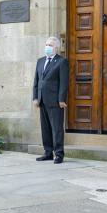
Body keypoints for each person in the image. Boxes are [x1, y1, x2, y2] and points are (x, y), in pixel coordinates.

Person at [32, 36, 69, 164]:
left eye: (50, 45)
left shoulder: (61, 62)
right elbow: (36, 81)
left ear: (56, 48)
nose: (47, 47)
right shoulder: (40, 61)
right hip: (42, 100)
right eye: (46, 44)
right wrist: (35, 97)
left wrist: (61, 99)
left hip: (55, 101)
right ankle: (48, 152)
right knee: (45, 128)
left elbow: (64, 82)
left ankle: (58, 154)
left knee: (57, 128)